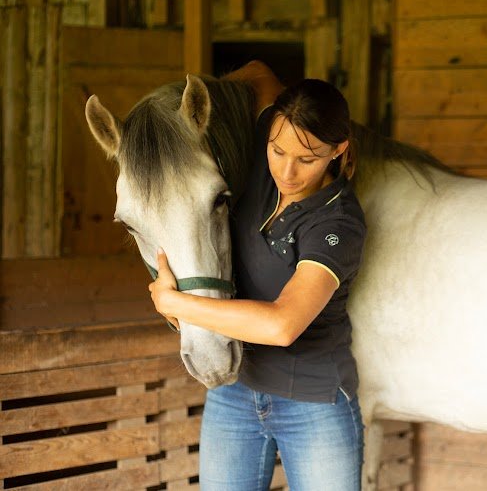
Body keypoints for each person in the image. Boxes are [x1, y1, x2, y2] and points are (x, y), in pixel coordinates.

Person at [148, 61, 366, 490]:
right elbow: (259, 72)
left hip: (313, 402)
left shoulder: (338, 222)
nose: (287, 172)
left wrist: (174, 303)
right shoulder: (270, 147)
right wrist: (182, 114)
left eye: (307, 159)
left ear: (338, 150)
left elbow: (283, 324)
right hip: (234, 390)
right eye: (277, 151)